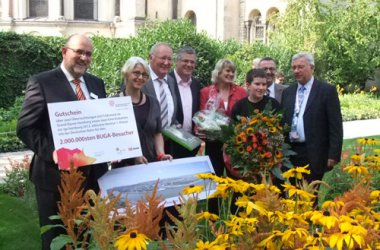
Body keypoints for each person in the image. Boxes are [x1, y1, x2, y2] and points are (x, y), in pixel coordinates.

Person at [16, 34, 109, 250]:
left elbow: (101, 123)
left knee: (85, 235)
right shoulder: (42, 82)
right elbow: (25, 127)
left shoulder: (96, 83)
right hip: (54, 178)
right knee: (56, 238)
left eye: (88, 53)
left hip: (91, 177)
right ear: (64, 51)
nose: (84, 57)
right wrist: (52, 153)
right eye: (79, 52)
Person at [281, 52, 343, 185]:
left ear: (312, 67)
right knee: (293, 196)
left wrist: (333, 154)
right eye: (294, 67)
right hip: (291, 152)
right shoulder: (288, 92)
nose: (296, 71)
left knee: (310, 196)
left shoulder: (326, 91)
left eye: (301, 67)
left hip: (314, 153)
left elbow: (335, 125)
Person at [112, 56, 172, 168]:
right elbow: (112, 136)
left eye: (144, 75)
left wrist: (161, 154)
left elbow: (157, 133)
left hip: (150, 163)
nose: (140, 77)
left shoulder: (153, 102)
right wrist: (133, 154)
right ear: (126, 74)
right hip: (124, 165)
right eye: (136, 73)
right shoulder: (114, 103)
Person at [199, 59, 247, 177]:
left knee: (236, 177)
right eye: (228, 71)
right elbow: (202, 115)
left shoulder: (241, 92)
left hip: (235, 143)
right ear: (218, 72)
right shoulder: (206, 92)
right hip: (214, 142)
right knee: (214, 176)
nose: (231, 74)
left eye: (233, 72)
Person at [169, 46, 201, 158]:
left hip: (190, 144)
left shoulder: (196, 84)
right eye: (185, 61)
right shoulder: (166, 81)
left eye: (192, 62)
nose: (189, 65)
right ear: (177, 62)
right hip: (170, 145)